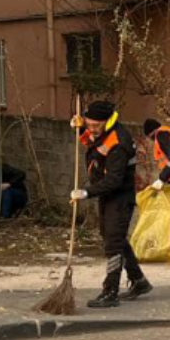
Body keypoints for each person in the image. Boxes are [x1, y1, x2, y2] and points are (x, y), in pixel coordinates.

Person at [70, 100, 152, 308]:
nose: (92, 129)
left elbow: (114, 180)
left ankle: (110, 291)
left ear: (107, 121)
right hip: (107, 195)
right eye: (89, 124)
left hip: (120, 196)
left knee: (113, 243)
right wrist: (80, 128)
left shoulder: (119, 142)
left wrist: (86, 192)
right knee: (113, 236)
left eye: (95, 125)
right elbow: (92, 143)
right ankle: (139, 281)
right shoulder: (103, 133)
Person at [142, 118, 170, 188]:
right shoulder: (166, 132)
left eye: (150, 137)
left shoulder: (161, 135)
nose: (151, 139)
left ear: (152, 131)